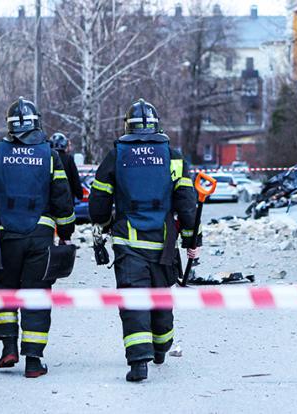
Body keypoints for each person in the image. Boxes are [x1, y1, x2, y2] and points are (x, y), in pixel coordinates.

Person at [0, 97, 75, 378]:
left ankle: (8, 348)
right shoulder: (50, 155)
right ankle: (33, 360)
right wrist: (65, 233)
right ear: (36, 123)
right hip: (40, 237)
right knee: (37, 294)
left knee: (6, 289)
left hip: (5, 237)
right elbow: (62, 199)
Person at [89, 98, 200, 382]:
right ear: (156, 126)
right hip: (163, 245)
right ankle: (161, 348)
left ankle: (139, 362)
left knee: (133, 300)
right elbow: (187, 204)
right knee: (161, 297)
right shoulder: (173, 157)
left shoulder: (117, 155)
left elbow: (99, 201)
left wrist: (103, 224)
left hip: (128, 243)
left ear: (127, 126)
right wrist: (191, 240)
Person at [50, 132, 84, 201]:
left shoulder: (47, 158)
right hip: (66, 198)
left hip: (49, 199)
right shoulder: (68, 159)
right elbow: (75, 179)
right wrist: (79, 195)